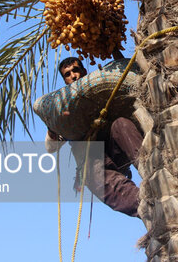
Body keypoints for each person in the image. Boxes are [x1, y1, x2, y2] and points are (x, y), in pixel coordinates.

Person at [45, 56, 142, 218]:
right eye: (67, 74)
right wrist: (53, 126)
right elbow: (50, 148)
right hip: (93, 163)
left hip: (116, 149)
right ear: (65, 80)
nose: (73, 76)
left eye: (76, 70)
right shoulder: (66, 108)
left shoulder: (102, 91)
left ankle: (154, 173)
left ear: (83, 71)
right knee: (129, 198)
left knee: (121, 124)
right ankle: (148, 207)